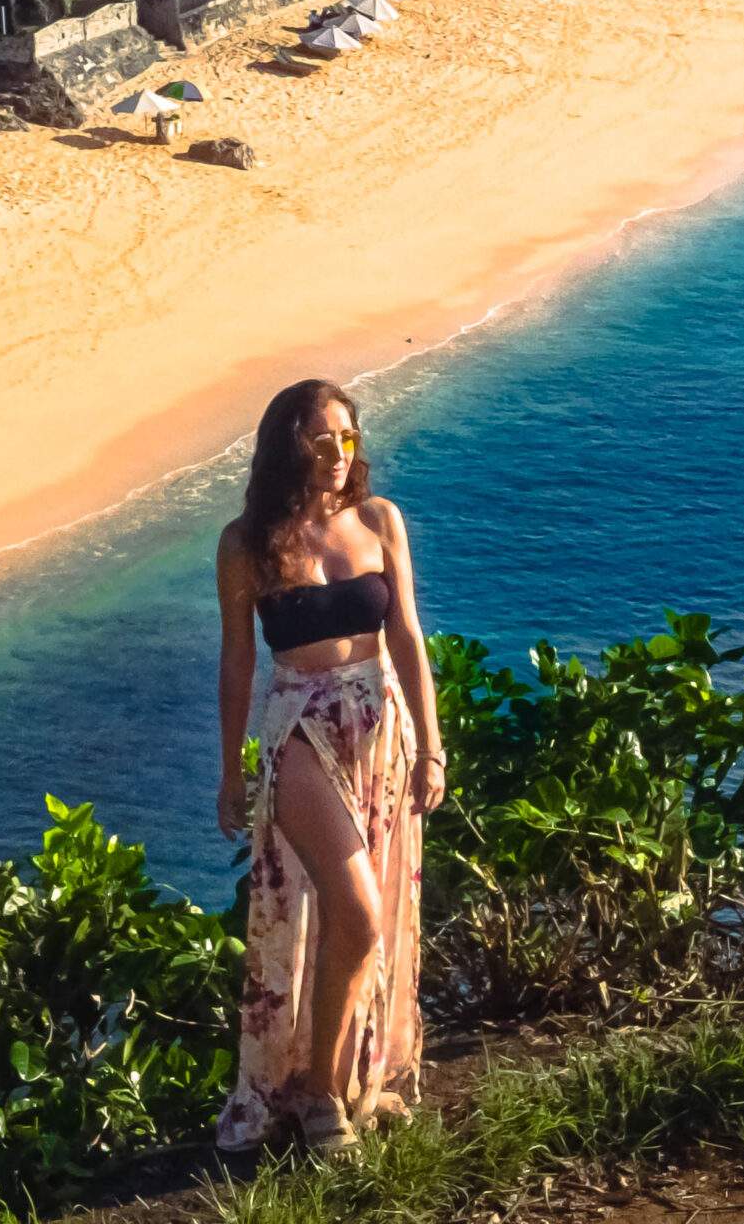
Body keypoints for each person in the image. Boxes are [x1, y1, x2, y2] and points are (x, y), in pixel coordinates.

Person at [215, 379, 442, 1158]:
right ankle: (317, 1099)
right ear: (288, 448)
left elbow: (407, 637)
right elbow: (238, 660)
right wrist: (228, 772)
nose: (337, 455)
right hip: (300, 730)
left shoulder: (380, 521)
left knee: (375, 914)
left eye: (347, 439)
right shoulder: (248, 543)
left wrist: (432, 745)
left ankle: (350, 1082)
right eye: (319, 441)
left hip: (382, 729)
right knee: (357, 911)